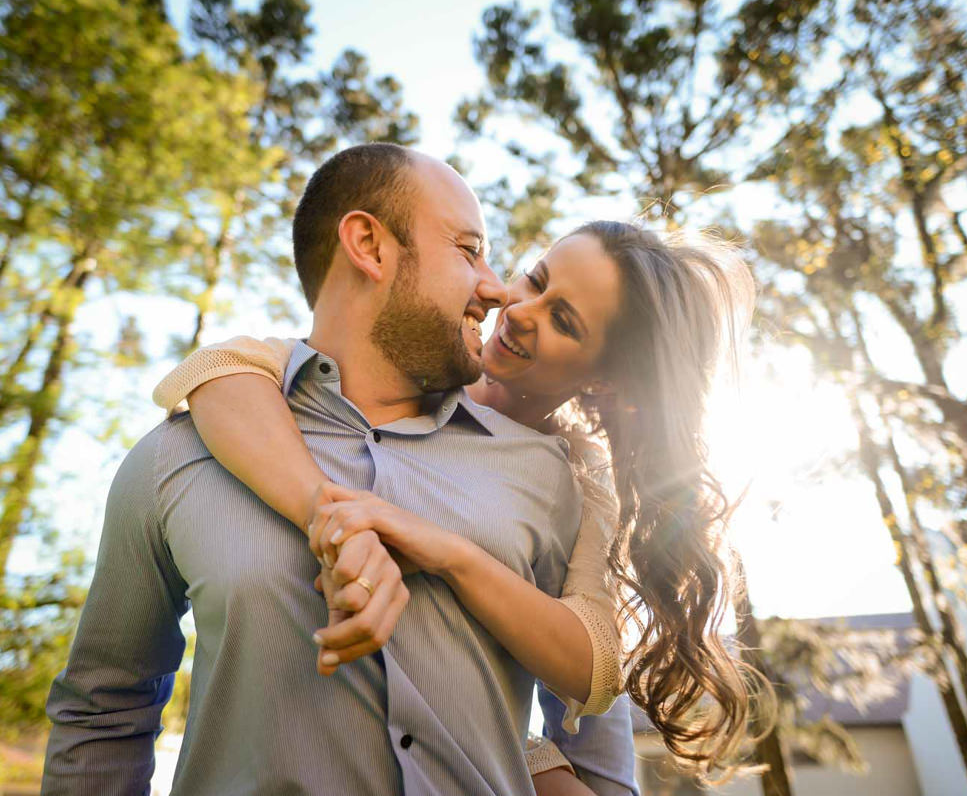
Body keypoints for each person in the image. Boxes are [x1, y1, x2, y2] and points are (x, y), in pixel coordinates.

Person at [42, 143, 638, 795]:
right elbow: (102, 713)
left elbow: (593, 705)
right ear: (368, 245)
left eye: (565, 319)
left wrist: (524, 757)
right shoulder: (181, 452)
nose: (501, 294)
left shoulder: (558, 482)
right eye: (470, 250)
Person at [154, 218, 774, 783]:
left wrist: (454, 557)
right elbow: (219, 365)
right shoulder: (414, 365)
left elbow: (593, 668)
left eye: (564, 321)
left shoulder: (580, 479)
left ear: (603, 378)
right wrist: (330, 517)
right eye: (534, 279)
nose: (521, 308)